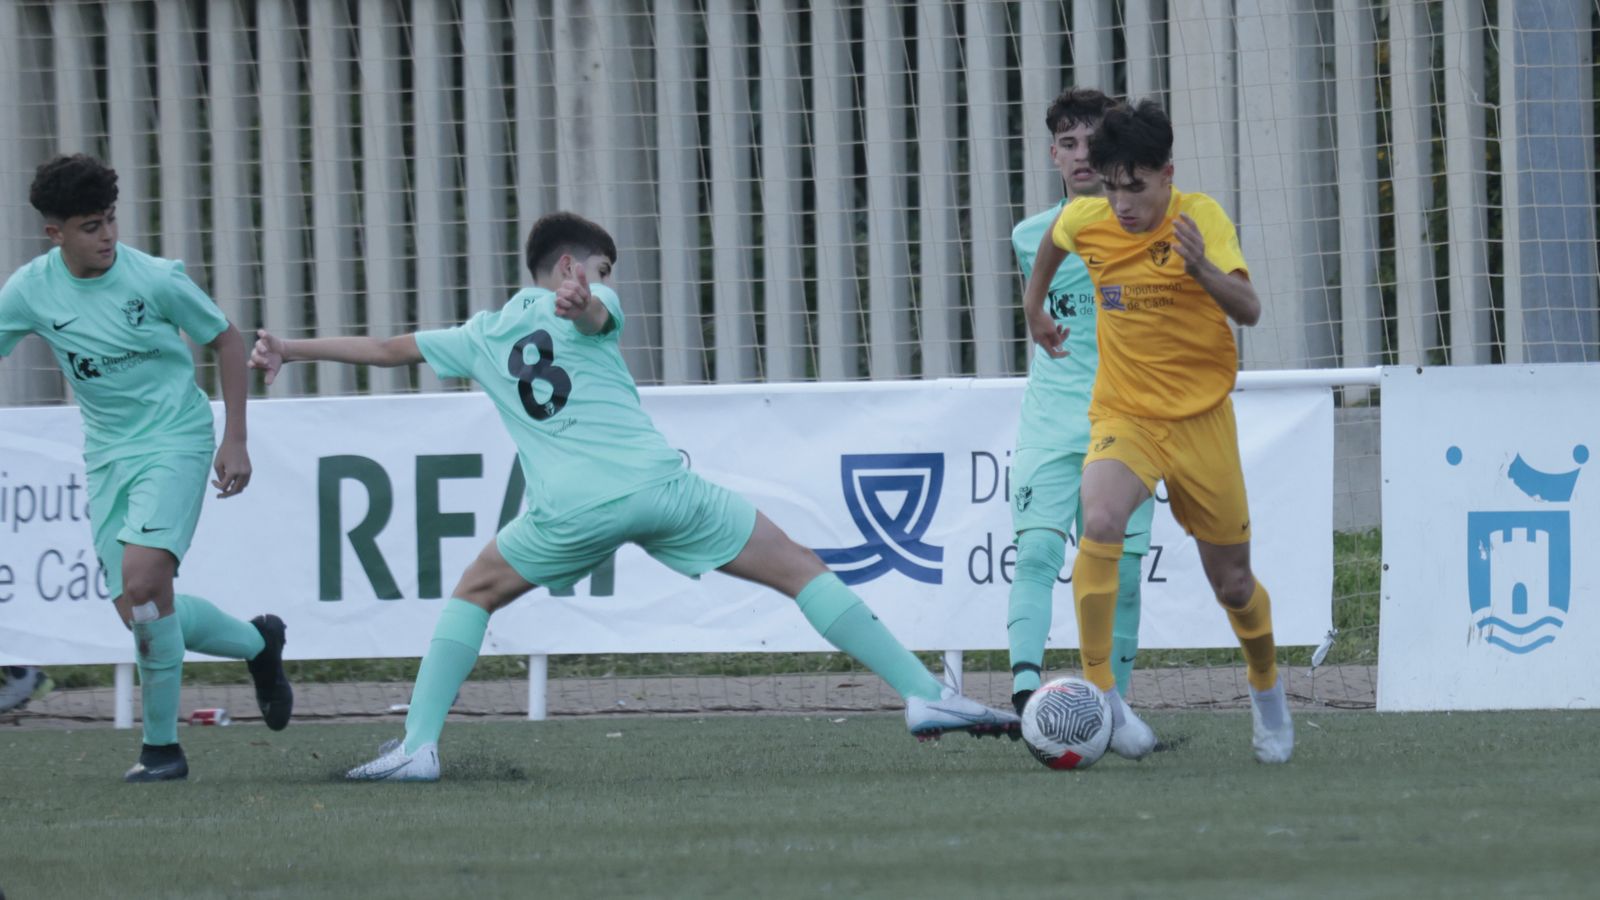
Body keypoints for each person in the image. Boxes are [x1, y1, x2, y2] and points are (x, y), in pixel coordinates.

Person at [250, 211, 1020, 782]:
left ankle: (418, 746)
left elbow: (387, 349)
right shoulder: (592, 304)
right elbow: (596, 314)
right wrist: (585, 302)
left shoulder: (481, 333)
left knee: (475, 592)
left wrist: (290, 346)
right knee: (799, 567)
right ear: (567, 265)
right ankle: (923, 692)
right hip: (661, 488)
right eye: (599, 268)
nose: (603, 283)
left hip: (569, 511)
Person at [0, 154, 294, 782]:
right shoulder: (29, 290)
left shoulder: (154, 278)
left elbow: (227, 339)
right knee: (141, 609)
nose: (107, 235)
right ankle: (258, 642)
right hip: (107, 455)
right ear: (54, 233)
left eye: (110, 219)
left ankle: (162, 752)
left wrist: (235, 437)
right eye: (90, 226)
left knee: (142, 584)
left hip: (175, 439)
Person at [1020, 100, 1294, 764]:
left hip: (1200, 422)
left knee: (1234, 585)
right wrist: (1034, 307)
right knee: (1100, 517)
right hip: (1126, 414)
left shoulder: (1201, 219)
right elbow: (1055, 240)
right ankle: (1104, 699)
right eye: (1112, 186)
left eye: (1135, 187)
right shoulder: (1089, 217)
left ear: (1167, 175)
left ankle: (1266, 690)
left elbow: (1250, 310)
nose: (1122, 203)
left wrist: (1201, 269)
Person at [1006, 87, 1157, 715]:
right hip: (1050, 423)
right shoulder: (1028, 237)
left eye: (1092, 141)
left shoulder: (1148, 229)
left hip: (1127, 426)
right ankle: (1026, 699)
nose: (1080, 154)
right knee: (1037, 553)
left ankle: (1113, 710)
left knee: (1123, 576)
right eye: (1067, 143)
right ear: (1054, 155)